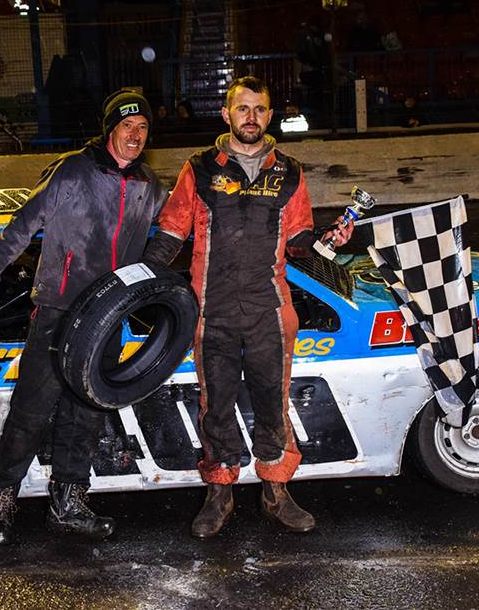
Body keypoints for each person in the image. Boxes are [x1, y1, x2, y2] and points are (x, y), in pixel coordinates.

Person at [144, 76, 352, 538]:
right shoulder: (200, 168)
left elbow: (299, 241)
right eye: (243, 108)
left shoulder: (289, 171)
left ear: (270, 116)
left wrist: (328, 240)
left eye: (259, 109)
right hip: (211, 310)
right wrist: (137, 281)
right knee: (215, 406)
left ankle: (276, 492)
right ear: (226, 114)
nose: (251, 117)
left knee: (273, 405)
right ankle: (220, 492)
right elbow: (172, 232)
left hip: (268, 312)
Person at [0, 89, 165, 546]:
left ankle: (68, 504)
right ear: (110, 129)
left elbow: (176, 229)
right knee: (31, 410)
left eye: (142, 128)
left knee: (87, 412)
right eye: (127, 126)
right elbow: (20, 227)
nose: (135, 136)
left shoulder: (149, 185)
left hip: (109, 316)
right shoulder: (72, 170)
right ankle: (2, 498)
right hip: (58, 311)